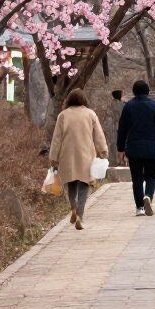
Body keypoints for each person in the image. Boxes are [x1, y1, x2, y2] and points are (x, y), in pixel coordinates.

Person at [49, 89, 109, 230]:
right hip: (86, 154)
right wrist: (103, 150)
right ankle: (80, 216)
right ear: (83, 100)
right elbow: (98, 134)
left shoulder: (63, 115)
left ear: (69, 100)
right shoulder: (90, 114)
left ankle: (74, 209)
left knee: (71, 184)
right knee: (84, 185)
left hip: (67, 155)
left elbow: (56, 138)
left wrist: (53, 156)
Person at [116, 78, 155, 215]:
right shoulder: (154, 106)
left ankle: (140, 208)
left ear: (134, 92)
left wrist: (120, 148)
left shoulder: (128, 107)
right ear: (148, 91)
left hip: (134, 149)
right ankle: (148, 196)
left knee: (137, 179)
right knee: (151, 176)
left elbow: (122, 129)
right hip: (151, 148)